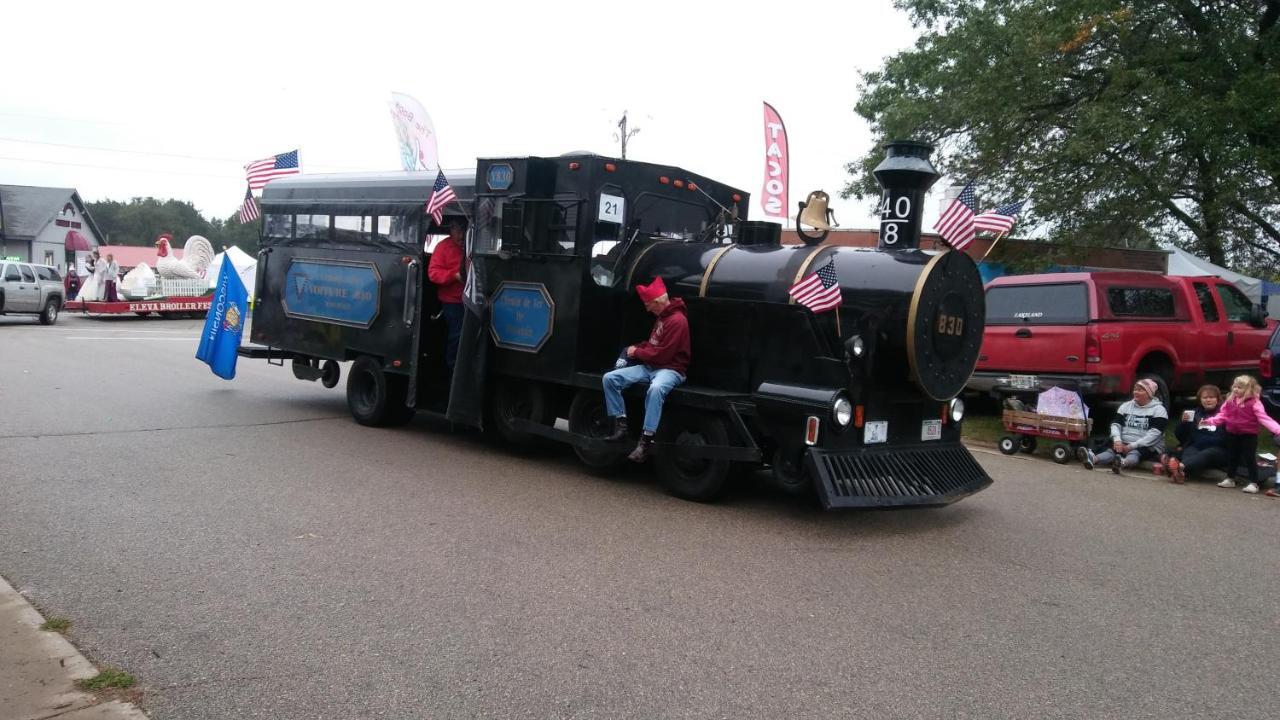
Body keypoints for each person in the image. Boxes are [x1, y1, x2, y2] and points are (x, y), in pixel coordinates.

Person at [603, 276, 690, 463]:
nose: (647, 308)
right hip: (651, 366)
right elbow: (653, 347)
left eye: (649, 304)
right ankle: (621, 427)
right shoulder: (663, 317)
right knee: (610, 378)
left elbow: (663, 355)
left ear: (658, 301)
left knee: (656, 389)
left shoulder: (677, 321)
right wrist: (635, 349)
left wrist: (637, 352)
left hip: (670, 369)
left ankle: (645, 442)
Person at [1200, 374, 1280, 494]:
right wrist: (1210, 421)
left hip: (1249, 434)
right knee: (1232, 456)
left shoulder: (1254, 403)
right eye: (1235, 386)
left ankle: (1254, 482)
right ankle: (1230, 478)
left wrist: (1277, 430)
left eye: (1240, 387)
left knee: (1249, 458)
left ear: (1248, 390)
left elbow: (1264, 419)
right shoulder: (1230, 401)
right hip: (1232, 432)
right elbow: (1223, 415)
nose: (1236, 389)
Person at [1080, 379, 1168, 473]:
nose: (1136, 392)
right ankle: (1092, 459)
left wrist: (1132, 446)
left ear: (1149, 394)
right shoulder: (1126, 406)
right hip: (1124, 442)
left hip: (1147, 445)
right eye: (1135, 389)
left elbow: (1154, 434)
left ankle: (1122, 463)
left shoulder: (1159, 410)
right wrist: (1117, 440)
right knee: (1112, 451)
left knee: (1135, 453)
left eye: (1140, 390)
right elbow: (1115, 424)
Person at [1156, 384, 1228, 484]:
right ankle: (1180, 473)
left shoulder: (1224, 414)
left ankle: (1178, 467)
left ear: (1217, 399)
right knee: (1189, 452)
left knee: (1206, 454)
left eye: (1211, 397)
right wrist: (1184, 423)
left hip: (1218, 449)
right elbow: (1180, 436)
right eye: (1205, 398)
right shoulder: (1194, 413)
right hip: (1196, 446)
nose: (1208, 400)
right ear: (1200, 400)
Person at [427, 218, 467, 378]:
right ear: (451, 229)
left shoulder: (472, 246)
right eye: (458, 230)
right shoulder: (443, 247)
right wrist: (454, 275)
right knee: (456, 338)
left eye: (463, 231)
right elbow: (433, 273)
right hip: (452, 301)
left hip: (471, 300)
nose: (461, 235)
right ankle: (452, 375)